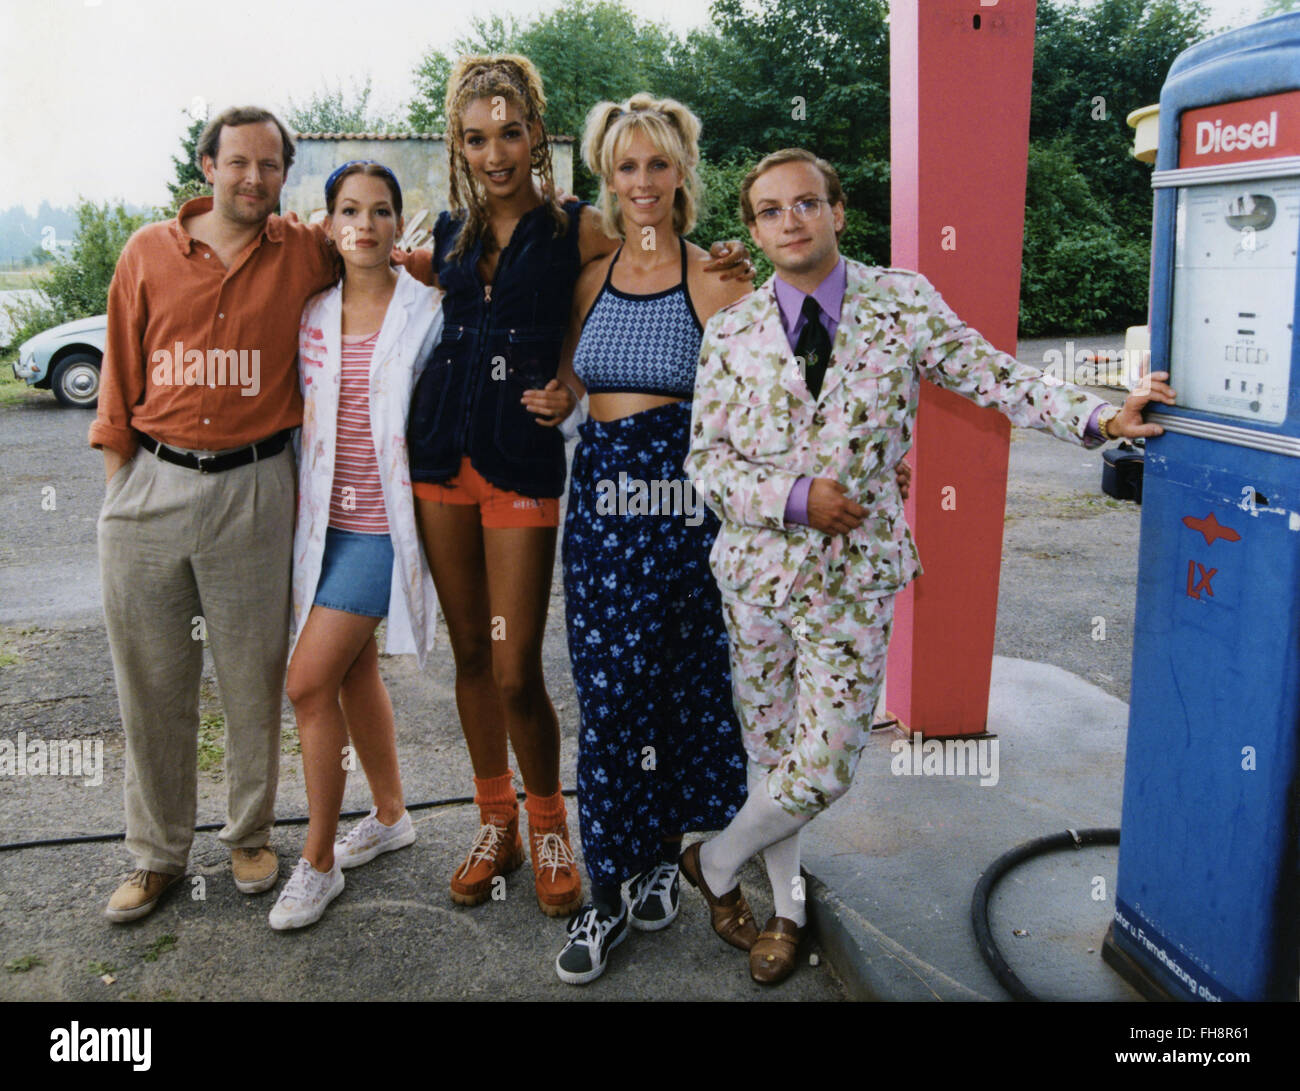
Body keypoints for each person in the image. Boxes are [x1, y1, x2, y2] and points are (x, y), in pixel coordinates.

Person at [682, 147, 1175, 985]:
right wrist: (798, 497)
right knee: (771, 748)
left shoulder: (900, 302)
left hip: (856, 576)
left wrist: (1098, 414)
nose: (790, 219)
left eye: (807, 202)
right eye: (770, 209)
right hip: (755, 575)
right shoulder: (730, 328)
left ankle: (717, 861)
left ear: (839, 211)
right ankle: (789, 903)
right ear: (755, 228)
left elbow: (995, 377)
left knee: (827, 760)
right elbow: (707, 461)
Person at [400, 56, 752, 918]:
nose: (495, 153)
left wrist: (564, 383)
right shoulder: (447, 236)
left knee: (519, 666)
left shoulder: (574, 228)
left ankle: (554, 822)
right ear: (459, 142)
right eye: (477, 137)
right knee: (472, 658)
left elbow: (635, 269)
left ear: (538, 137)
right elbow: (370, 256)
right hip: (440, 456)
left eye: (511, 133)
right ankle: (497, 823)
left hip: (526, 466)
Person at [92, 107, 343, 921]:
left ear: (283, 174)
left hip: (256, 486)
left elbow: (386, 256)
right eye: (239, 162)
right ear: (207, 165)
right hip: (151, 486)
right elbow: (118, 375)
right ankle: (156, 854)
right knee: (153, 684)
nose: (254, 178)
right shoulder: (147, 252)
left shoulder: (305, 250)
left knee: (251, 675)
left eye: (270, 166)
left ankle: (247, 833)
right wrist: (120, 482)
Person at [541, 94, 752, 983]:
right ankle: (606, 889)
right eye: (625, 166)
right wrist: (557, 400)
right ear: (607, 174)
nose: (641, 182)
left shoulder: (717, 278)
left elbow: (767, 390)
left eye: (657, 164)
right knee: (610, 697)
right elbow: (570, 388)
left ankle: (666, 853)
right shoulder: (588, 278)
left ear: (681, 173)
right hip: (599, 514)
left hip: (679, 510)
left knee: (679, 688)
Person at [267, 162, 442, 929]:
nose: (364, 225)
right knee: (350, 670)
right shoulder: (311, 313)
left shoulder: (431, 309)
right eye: (349, 210)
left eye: (379, 211)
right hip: (325, 528)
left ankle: (318, 860)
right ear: (329, 222)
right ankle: (393, 813)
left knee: (306, 682)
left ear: (399, 224)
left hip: (385, 528)